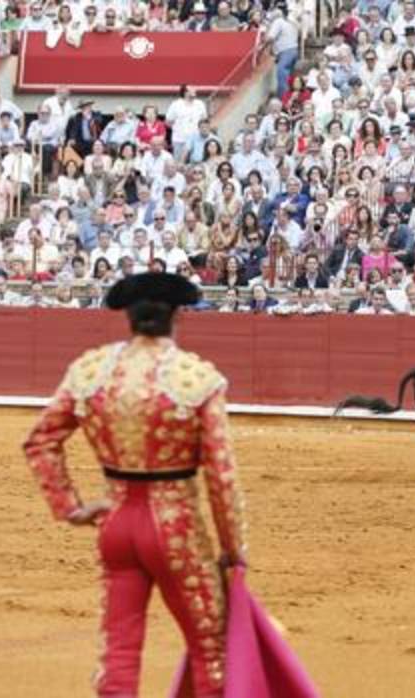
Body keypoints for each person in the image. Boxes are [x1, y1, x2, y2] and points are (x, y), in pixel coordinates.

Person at [21, 273, 246, 697]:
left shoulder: (91, 372)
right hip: (175, 526)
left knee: (119, 652)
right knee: (209, 649)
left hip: (116, 522)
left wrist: (71, 506)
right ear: (178, 315)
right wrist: (233, 549)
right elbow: (221, 474)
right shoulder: (197, 378)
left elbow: (41, 441)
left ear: (127, 317)